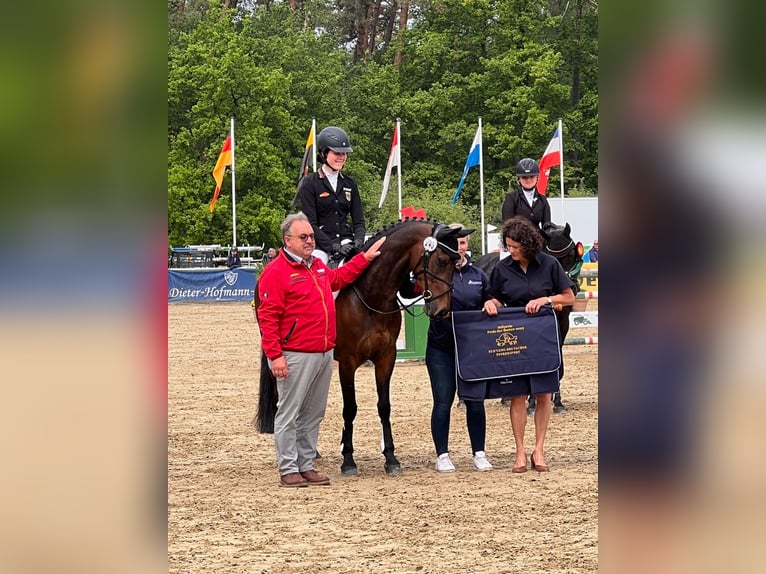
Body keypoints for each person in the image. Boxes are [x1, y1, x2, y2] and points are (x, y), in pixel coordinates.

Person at [256, 212, 385, 487]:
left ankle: (306, 464)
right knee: (289, 412)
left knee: (314, 413)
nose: (310, 241)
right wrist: (275, 355)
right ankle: (289, 468)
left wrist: (364, 259)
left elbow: (338, 278)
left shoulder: (316, 267)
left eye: (311, 236)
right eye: (303, 237)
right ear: (287, 240)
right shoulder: (276, 272)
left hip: (324, 352)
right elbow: (267, 317)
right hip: (295, 353)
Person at [482, 216, 575, 472]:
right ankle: (520, 452)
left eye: (515, 246)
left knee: (544, 394)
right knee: (518, 394)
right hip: (516, 338)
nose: (510, 250)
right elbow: (497, 297)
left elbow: (568, 298)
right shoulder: (502, 269)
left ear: (528, 244)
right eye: (508, 245)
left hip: (545, 336)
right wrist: (492, 303)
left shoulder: (550, 264)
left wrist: (546, 299)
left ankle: (539, 450)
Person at [425, 224, 493, 473]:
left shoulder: (479, 275)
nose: (459, 249)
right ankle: (442, 454)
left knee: (475, 402)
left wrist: (491, 302)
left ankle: (479, 452)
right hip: (441, 347)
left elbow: (491, 296)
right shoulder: (435, 272)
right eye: (455, 244)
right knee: (442, 402)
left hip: (471, 349)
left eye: (462, 243)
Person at [296, 126, 366, 265]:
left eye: (344, 154)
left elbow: (359, 222)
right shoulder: (310, 184)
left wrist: (358, 241)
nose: (342, 157)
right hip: (321, 246)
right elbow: (311, 224)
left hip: (347, 242)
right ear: (324, 153)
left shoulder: (350, 184)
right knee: (316, 267)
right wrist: (333, 247)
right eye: (337, 153)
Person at [500, 158, 552, 230]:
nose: (528, 180)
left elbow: (547, 227)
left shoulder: (542, 200)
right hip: (516, 238)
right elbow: (507, 225)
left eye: (532, 176)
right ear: (519, 179)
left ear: (537, 178)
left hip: (537, 239)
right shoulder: (511, 198)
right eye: (524, 177)